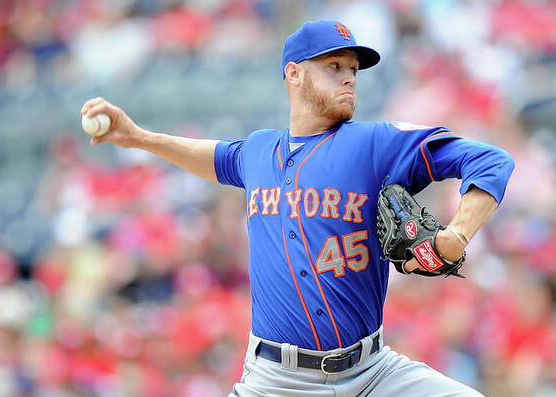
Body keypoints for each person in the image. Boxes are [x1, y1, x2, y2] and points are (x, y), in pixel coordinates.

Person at [81, 20, 514, 397]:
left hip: (373, 374)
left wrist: (457, 234)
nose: (349, 79)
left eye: (353, 70)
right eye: (334, 67)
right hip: (276, 382)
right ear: (294, 74)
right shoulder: (257, 152)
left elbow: (491, 160)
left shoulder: (375, 144)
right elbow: (211, 156)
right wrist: (138, 138)